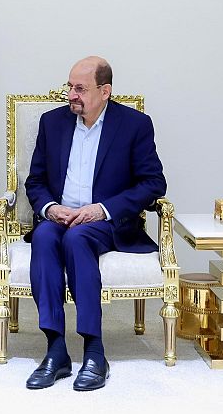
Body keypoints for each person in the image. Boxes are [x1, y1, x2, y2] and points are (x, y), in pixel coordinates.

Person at [24, 56, 165, 391]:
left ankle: (94, 352)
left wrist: (102, 209)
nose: (71, 95)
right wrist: (51, 208)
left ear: (105, 91)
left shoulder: (134, 125)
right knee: (44, 236)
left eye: (80, 88)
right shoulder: (52, 123)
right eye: (69, 87)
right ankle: (56, 350)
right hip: (61, 216)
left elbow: (153, 183)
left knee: (77, 239)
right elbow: (35, 181)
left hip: (105, 222)